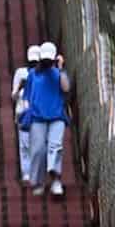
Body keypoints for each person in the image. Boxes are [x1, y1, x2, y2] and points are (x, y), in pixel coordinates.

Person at [22, 41, 70, 198]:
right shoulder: (32, 75)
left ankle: (56, 179)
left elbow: (66, 88)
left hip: (57, 116)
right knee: (37, 150)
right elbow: (27, 96)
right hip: (38, 117)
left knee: (55, 146)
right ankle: (38, 181)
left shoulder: (58, 74)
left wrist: (61, 69)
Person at [11, 45, 38, 185]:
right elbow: (14, 96)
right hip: (23, 113)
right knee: (25, 145)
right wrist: (20, 88)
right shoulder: (20, 73)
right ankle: (27, 173)